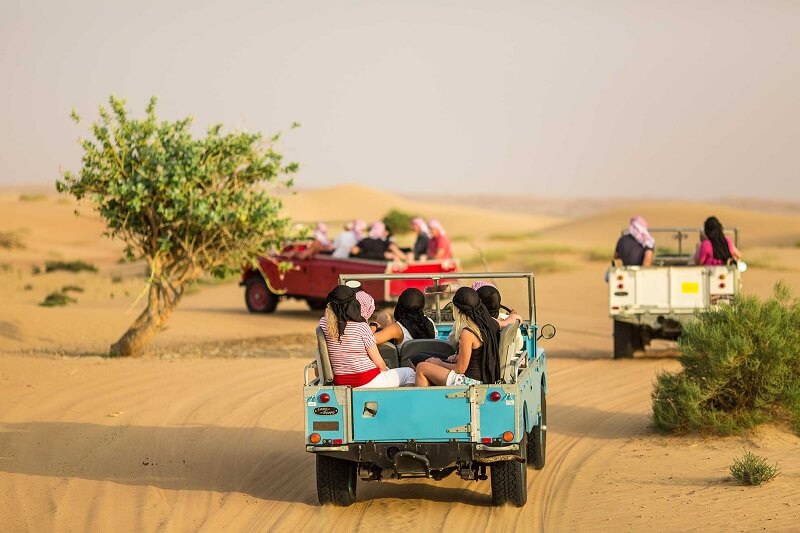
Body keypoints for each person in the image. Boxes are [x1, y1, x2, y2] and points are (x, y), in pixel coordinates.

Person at [318, 285, 415, 387]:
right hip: (367, 379)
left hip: (341, 381)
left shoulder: (324, 324)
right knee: (410, 373)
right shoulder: (362, 327)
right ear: (353, 304)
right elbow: (379, 364)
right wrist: (387, 371)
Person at [415, 287, 500, 387]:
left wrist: (438, 363)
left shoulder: (467, 333)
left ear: (458, 310)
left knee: (422, 367)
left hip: (470, 382)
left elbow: (460, 369)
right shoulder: (491, 324)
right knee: (429, 365)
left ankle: (425, 402)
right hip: (482, 379)